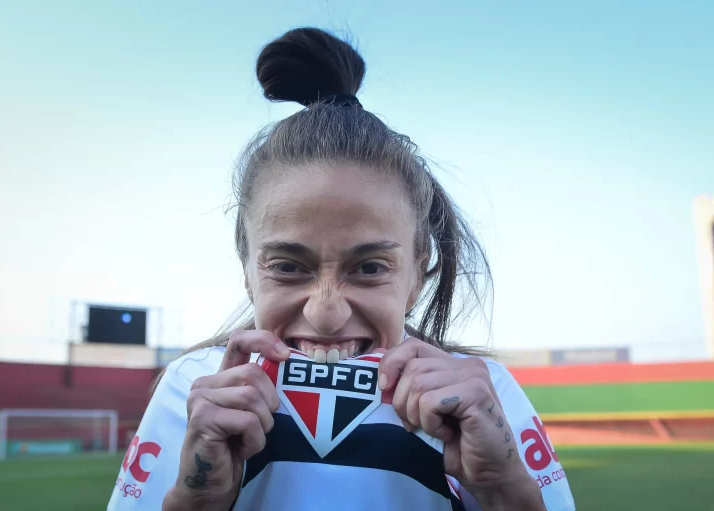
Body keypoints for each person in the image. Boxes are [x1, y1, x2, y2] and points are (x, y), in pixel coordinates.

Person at [108, 27, 576, 511]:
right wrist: (198, 497)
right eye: (288, 267)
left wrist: (503, 488)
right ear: (247, 269)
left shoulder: (482, 394)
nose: (327, 313)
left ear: (417, 272)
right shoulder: (194, 386)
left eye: (370, 267)